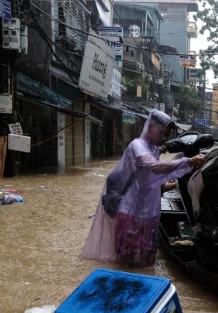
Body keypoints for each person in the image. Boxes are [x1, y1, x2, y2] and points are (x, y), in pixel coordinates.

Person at [82, 110, 204, 267]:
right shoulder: (137, 146)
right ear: (151, 127)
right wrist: (188, 162)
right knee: (126, 261)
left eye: (167, 134)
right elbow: (153, 167)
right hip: (130, 214)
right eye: (162, 133)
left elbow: (152, 180)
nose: (164, 138)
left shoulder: (154, 149)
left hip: (149, 215)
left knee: (146, 262)